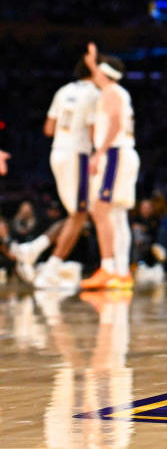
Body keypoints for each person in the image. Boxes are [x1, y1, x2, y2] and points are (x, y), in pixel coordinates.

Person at [16, 54, 99, 289]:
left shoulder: (63, 91)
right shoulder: (93, 93)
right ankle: (49, 266)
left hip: (58, 153)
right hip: (78, 154)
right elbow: (94, 133)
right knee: (81, 214)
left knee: (77, 214)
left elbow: (48, 128)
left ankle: (34, 249)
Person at [80, 49, 139, 291]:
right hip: (122, 153)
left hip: (114, 154)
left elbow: (114, 124)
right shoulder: (117, 91)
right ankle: (121, 271)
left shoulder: (112, 93)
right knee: (116, 215)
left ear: (105, 74)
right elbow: (100, 76)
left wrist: (99, 152)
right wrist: (93, 63)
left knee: (101, 209)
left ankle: (109, 267)